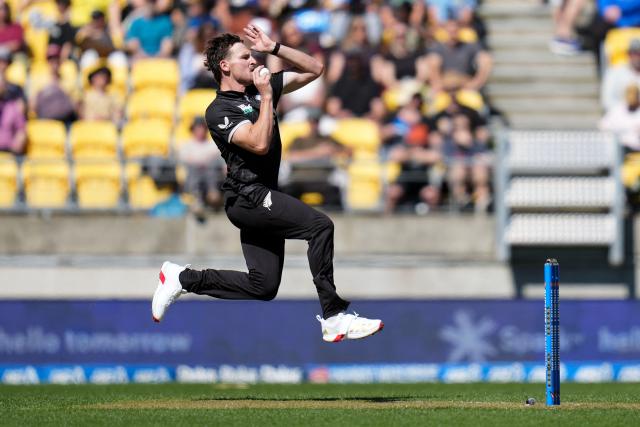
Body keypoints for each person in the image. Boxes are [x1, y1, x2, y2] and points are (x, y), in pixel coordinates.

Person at [152, 26, 384, 343]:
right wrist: (266, 96)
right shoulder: (219, 110)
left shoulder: (261, 88)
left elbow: (315, 68)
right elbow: (259, 144)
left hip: (263, 197)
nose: (253, 59)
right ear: (225, 66)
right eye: (245, 56)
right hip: (247, 199)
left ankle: (183, 277)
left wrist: (274, 47)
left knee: (264, 286)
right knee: (320, 226)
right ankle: (333, 316)